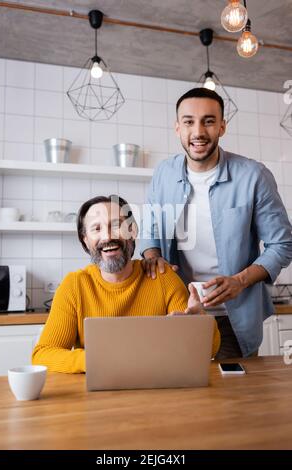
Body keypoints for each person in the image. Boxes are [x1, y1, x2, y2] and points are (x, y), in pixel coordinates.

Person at [140, 87, 292, 359]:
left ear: (222, 127)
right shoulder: (163, 173)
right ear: (177, 128)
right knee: (176, 397)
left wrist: (240, 281)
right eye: (189, 122)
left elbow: (282, 244)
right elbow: (150, 227)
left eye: (208, 121)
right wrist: (152, 254)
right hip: (176, 313)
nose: (198, 131)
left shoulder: (253, 176)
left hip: (233, 320)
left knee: (235, 399)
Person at [32, 194, 220, 373]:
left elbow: (207, 351)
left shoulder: (164, 278)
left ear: (132, 232)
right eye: (96, 229)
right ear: (85, 240)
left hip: (158, 391)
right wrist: (96, 360)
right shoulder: (74, 286)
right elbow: (43, 354)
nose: (107, 237)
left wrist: (201, 325)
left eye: (116, 226)